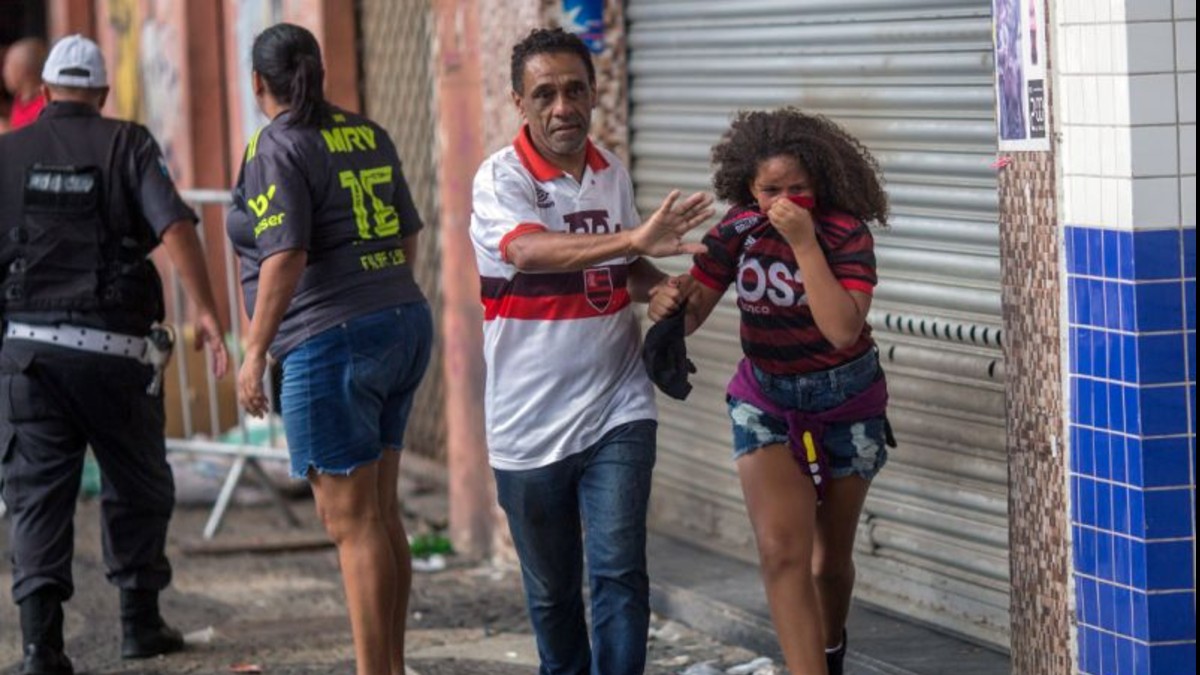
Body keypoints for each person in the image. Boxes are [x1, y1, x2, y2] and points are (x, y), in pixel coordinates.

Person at [470, 27, 714, 675]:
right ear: (519, 103)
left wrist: (658, 286)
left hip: (617, 405)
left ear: (595, 93)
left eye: (575, 89)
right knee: (553, 595)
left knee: (618, 572)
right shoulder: (499, 180)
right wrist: (635, 238)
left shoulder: (612, 175)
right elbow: (526, 251)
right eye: (544, 93)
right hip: (527, 426)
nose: (562, 107)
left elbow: (619, 267)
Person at [0, 34, 230, 674]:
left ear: (43, 94)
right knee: (136, 486)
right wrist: (209, 316)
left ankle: (40, 649)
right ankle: (139, 625)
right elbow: (176, 226)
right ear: (102, 95)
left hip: (29, 359)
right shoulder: (127, 142)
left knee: (36, 496)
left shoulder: (6, 153)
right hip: (116, 356)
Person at [648, 107, 892, 675]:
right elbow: (691, 314)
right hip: (767, 403)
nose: (785, 201)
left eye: (799, 189)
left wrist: (804, 243)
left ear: (821, 184)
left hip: (847, 402)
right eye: (771, 190)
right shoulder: (736, 232)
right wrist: (669, 303)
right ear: (748, 189)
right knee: (783, 551)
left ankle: (829, 653)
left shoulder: (843, 233)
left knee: (828, 563)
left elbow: (841, 330)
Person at [225, 23, 431, 675]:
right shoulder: (367, 132)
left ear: (258, 82)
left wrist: (254, 352)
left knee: (352, 524)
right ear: (319, 72)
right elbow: (406, 236)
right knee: (380, 511)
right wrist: (381, 293)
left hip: (330, 339)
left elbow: (284, 255)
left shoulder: (275, 146)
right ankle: (390, 666)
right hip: (400, 320)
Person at [2, 37, 48, 131]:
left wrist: (7, 131)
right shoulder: (21, 99)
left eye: (8, 65)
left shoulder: (45, 107)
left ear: (22, 71)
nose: (3, 73)